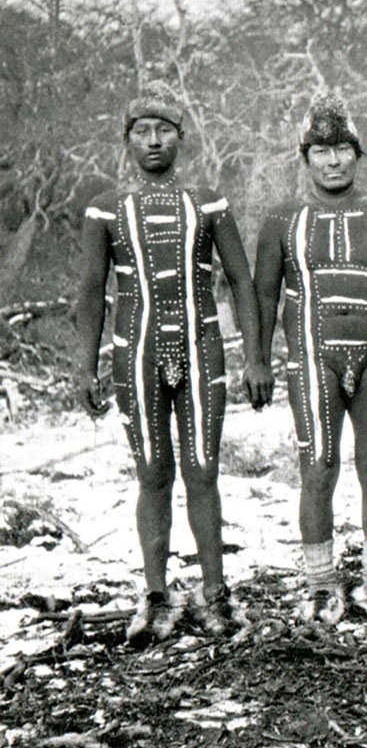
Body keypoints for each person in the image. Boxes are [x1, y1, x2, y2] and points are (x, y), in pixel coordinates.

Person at [76, 81, 272, 642]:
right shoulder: (105, 208)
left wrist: (256, 357)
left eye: (164, 131)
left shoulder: (207, 201)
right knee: (153, 473)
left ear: (181, 137)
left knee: (203, 471)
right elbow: (91, 291)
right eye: (142, 132)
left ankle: (216, 593)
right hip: (132, 353)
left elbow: (240, 280)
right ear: (127, 140)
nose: (154, 141)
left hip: (201, 347)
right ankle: (156, 596)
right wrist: (84, 366)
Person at [254, 91, 367, 624]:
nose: (333, 161)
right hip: (312, 360)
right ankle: (322, 585)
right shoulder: (284, 220)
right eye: (320, 151)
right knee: (318, 468)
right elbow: (263, 293)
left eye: (342, 150)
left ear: (357, 153)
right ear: (304, 158)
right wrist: (256, 360)